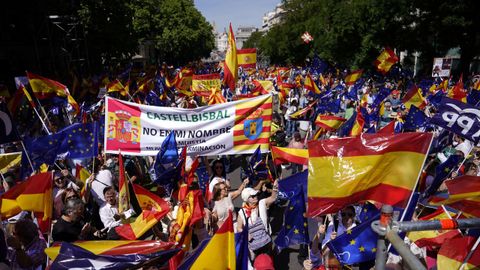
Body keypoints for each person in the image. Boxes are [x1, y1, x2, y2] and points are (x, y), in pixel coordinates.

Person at [236, 180, 278, 259]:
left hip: (266, 242)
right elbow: (239, 227)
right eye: (252, 196)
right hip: (253, 247)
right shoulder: (242, 212)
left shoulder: (261, 203)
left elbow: (273, 198)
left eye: (255, 194)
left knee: (268, 262)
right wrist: (246, 234)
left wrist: (275, 188)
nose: (256, 196)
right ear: (247, 199)